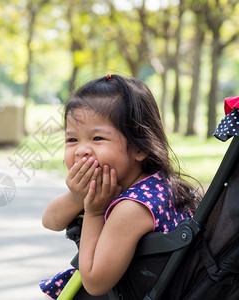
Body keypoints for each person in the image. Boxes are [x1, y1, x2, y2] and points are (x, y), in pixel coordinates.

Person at [39, 74, 201, 299]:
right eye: (72, 140)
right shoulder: (150, 183)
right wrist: (77, 197)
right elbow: (50, 221)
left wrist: (95, 212)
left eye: (97, 138)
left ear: (139, 148)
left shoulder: (134, 207)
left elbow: (95, 282)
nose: (81, 150)